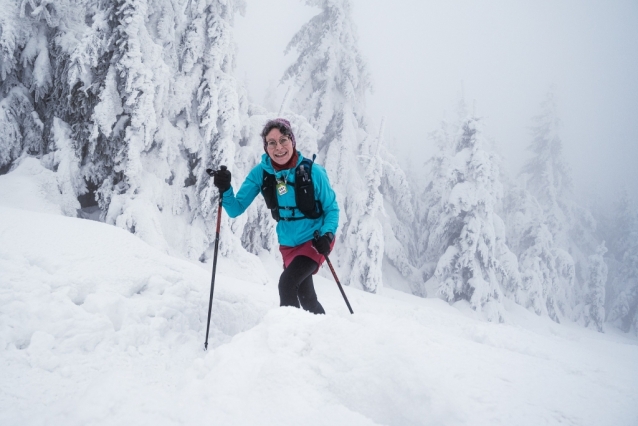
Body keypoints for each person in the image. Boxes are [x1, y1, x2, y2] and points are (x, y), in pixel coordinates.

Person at [210, 118, 339, 314]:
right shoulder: (260, 174)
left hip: (315, 240)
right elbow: (235, 208)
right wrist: (225, 188)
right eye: (272, 142)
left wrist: (327, 234)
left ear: (292, 141)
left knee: (286, 284)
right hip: (288, 244)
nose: (278, 147)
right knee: (307, 298)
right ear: (266, 147)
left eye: (283, 140)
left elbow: (332, 209)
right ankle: (325, 333)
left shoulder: (314, 172)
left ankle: (289, 336)